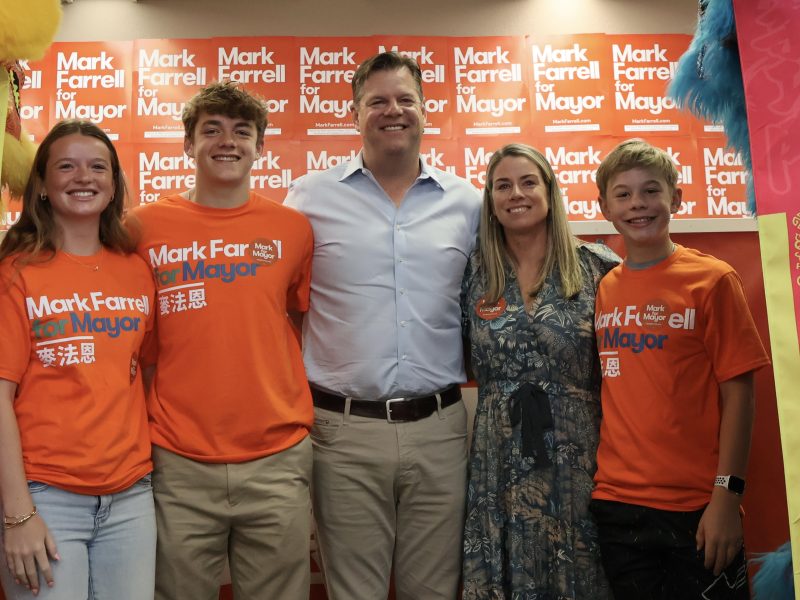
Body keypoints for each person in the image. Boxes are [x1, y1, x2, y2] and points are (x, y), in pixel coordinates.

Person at [284, 51, 481, 600]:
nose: (392, 111)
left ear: (424, 110)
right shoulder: (309, 198)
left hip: (440, 429)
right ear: (355, 114)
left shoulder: (467, 203)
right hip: (342, 433)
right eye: (377, 101)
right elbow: (278, 303)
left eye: (404, 100)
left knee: (435, 592)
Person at [128, 81, 314, 600]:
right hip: (178, 458)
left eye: (241, 132)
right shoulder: (140, 228)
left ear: (260, 147)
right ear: (188, 145)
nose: (226, 142)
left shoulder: (293, 229)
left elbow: (299, 321)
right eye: (211, 130)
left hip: (277, 456)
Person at [590, 139, 771, 599]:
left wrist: (726, 497)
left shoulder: (712, 280)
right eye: (624, 194)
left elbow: (740, 395)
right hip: (616, 505)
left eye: (651, 191)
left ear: (677, 198)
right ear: (604, 206)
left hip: (698, 506)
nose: (638, 204)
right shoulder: (605, 286)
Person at [0, 120, 156, 599]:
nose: (82, 177)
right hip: (45, 497)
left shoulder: (135, 269)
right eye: (65, 166)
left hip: (131, 498)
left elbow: (140, 374)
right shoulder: (16, 271)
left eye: (97, 167)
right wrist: (18, 514)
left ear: (113, 187)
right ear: (42, 186)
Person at [460, 143, 618, 599]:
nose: (516, 194)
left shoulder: (598, 268)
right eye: (502, 185)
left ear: (550, 190)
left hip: (579, 456)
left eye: (528, 181)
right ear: (490, 199)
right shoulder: (474, 272)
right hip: (499, 457)